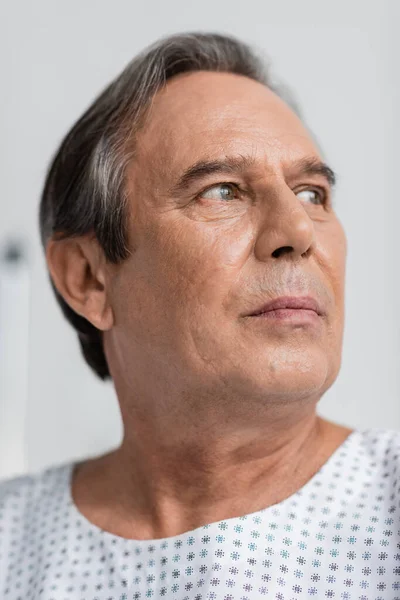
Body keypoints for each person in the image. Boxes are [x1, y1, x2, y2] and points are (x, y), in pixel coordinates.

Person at [1, 32, 399, 600]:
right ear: (88, 278)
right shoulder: (10, 543)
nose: (297, 233)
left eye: (312, 194)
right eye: (222, 192)